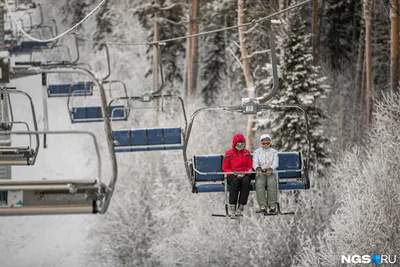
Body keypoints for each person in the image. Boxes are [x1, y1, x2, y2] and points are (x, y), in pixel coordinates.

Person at [222, 133, 253, 216]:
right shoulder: (229, 153)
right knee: (235, 182)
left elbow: (250, 167)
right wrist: (235, 173)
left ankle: (241, 205)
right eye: (238, 144)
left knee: (246, 181)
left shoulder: (247, 153)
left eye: (242, 144)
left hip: (244, 175)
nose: (240, 146)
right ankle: (233, 205)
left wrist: (244, 173)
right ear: (234, 144)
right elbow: (225, 168)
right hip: (232, 175)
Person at [252, 134, 279, 214]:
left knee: (272, 185)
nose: (266, 145)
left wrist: (271, 168)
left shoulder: (274, 152)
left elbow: (275, 163)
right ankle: (262, 206)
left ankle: (272, 206)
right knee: (259, 185)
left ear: (270, 143)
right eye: (264, 144)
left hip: (271, 172)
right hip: (261, 172)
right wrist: (257, 168)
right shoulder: (257, 152)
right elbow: (255, 162)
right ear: (261, 143)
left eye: (268, 143)